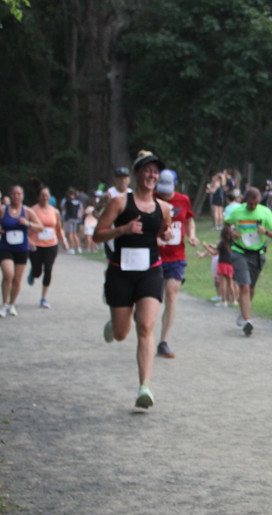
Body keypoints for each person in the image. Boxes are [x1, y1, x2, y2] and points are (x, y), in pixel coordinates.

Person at [93, 150, 173, 409]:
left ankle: (144, 387)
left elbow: (163, 233)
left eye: (155, 171)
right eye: (147, 170)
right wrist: (123, 230)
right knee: (121, 334)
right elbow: (97, 234)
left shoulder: (163, 208)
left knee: (146, 327)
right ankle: (115, 323)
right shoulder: (119, 203)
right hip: (121, 272)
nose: (152, 175)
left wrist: (166, 235)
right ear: (136, 173)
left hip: (150, 271)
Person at [154, 169, 198, 358]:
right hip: (154, 256)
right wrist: (154, 238)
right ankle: (144, 327)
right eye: (161, 190)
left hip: (176, 256)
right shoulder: (151, 198)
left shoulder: (183, 200)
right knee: (151, 298)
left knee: (171, 294)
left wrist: (191, 235)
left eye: (167, 190)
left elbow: (189, 220)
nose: (164, 194)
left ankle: (163, 341)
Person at [225, 187, 272, 336]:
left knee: (251, 287)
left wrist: (265, 232)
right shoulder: (237, 211)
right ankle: (248, 321)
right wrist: (232, 232)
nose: (253, 206)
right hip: (239, 252)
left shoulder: (265, 212)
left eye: (255, 203)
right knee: (244, 285)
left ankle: (243, 312)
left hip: (257, 254)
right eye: (250, 204)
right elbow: (227, 224)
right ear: (245, 200)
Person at [0, 185, 44, 317]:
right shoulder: (2, 210)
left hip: (21, 248)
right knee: (8, 274)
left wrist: (28, 224)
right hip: (5, 247)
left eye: (19, 194)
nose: (16, 196)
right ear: (10, 195)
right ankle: (4, 304)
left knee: (17, 279)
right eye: (14, 194)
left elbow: (40, 227)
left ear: (23, 196)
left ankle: (12, 304)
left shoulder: (27, 211)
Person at [28, 186, 68, 309]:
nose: (45, 198)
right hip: (36, 244)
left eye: (47, 195)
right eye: (42, 195)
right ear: (38, 197)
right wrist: (29, 240)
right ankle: (33, 272)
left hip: (51, 244)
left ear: (50, 197)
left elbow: (59, 228)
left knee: (48, 269)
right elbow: (26, 227)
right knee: (37, 271)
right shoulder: (32, 210)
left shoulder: (55, 211)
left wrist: (64, 240)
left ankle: (44, 298)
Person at [60, 187, 83, 254]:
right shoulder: (77, 201)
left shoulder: (68, 200)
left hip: (69, 218)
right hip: (75, 219)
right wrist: (80, 215)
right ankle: (79, 248)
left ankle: (71, 248)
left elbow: (63, 208)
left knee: (70, 233)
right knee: (75, 233)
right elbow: (81, 208)